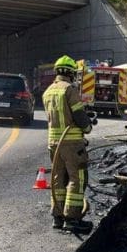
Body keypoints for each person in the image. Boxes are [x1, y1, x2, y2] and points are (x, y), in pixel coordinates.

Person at [43, 55, 93, 233]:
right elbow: (79, 116)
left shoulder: (48, 91)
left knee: (58, 179)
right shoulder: (69, 90)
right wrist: (87, 127)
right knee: (77, 179)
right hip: (72, 144)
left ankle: (58, 216)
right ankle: (72, 219)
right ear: (71, 73)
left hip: (54, 144)